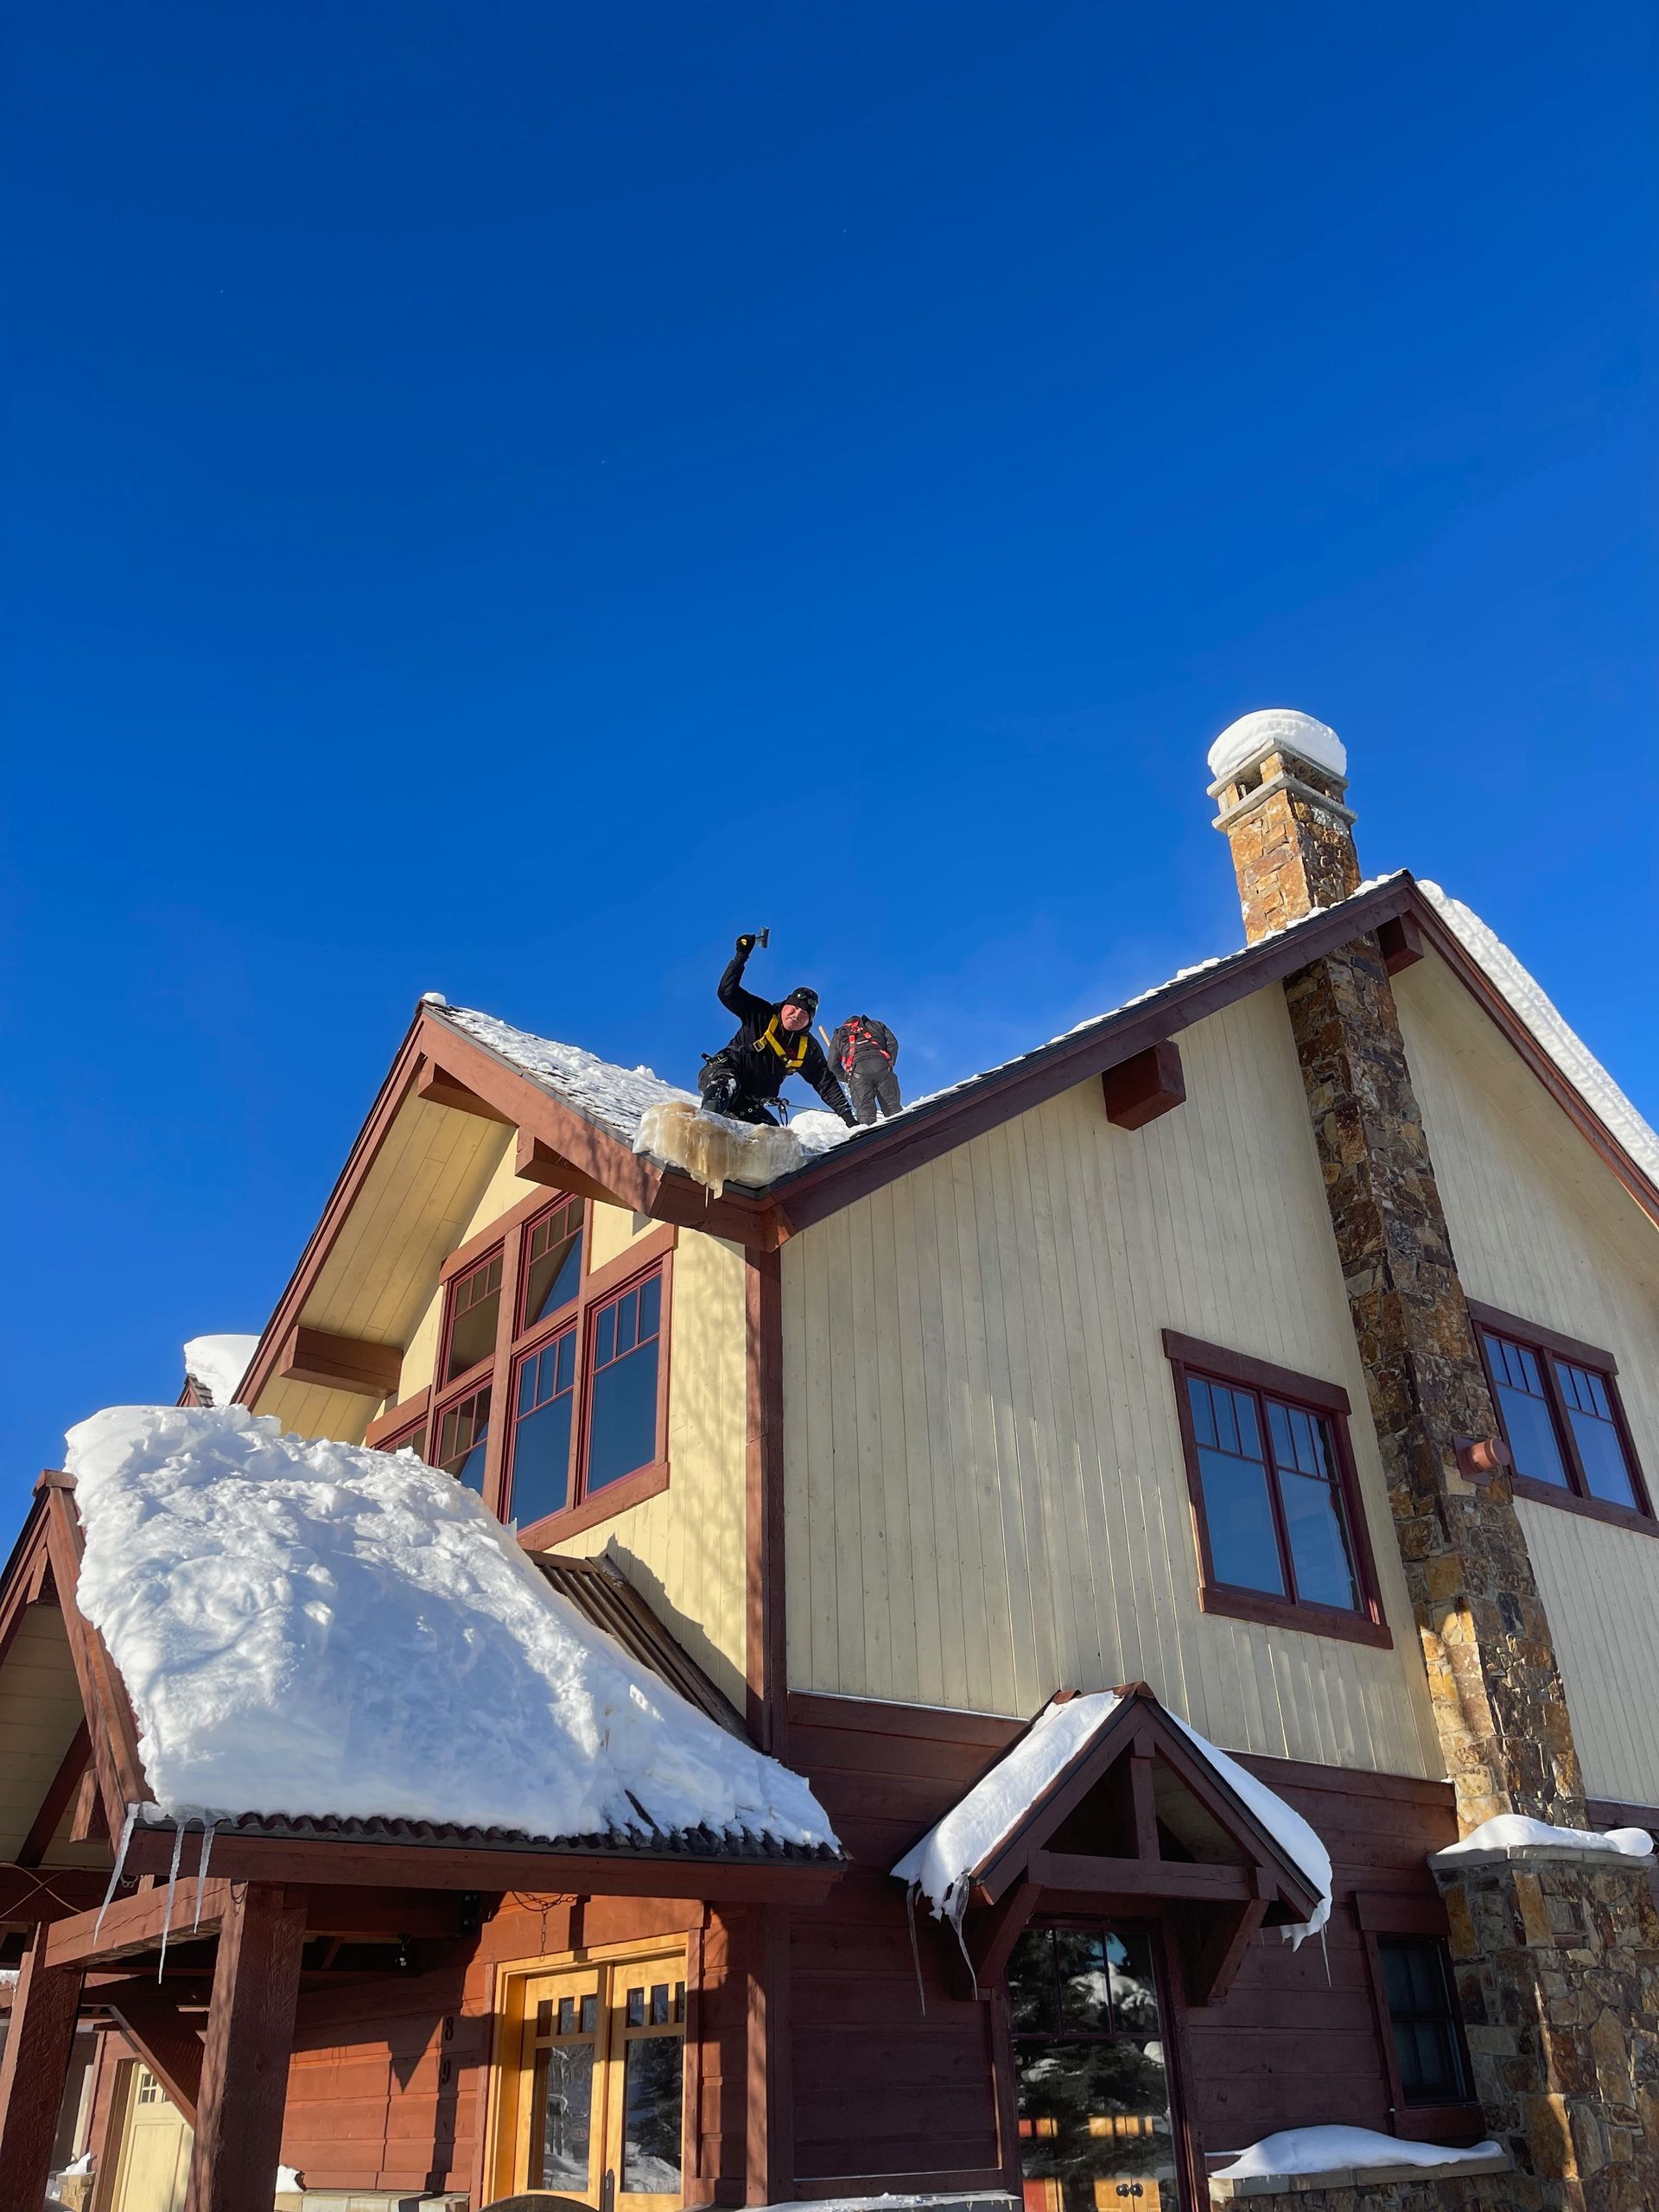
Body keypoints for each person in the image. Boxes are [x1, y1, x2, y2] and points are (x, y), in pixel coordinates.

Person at [699, 934, 855, 1128]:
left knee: (773, 1136)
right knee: (725, 1087)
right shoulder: (761, 1013)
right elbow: (727, 992)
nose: (797, 1014)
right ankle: (702, 1128)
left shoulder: (806, 1048)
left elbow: (825, 1082)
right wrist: (741, 957)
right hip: (723, 1075)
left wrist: (849, 1119)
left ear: (809, 1020)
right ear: (785, 1006)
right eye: (794, 1007)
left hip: (748, 1101)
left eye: (805, 1013)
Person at [829, 1013, 902, 1125]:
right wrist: (889, 1063)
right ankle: (903, 1131)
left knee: (865, 1112)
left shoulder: (839, 1035)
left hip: (858, 1072)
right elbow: (892, 1044)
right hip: (882, 1067)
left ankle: (871, 1139)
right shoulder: (876, 1025)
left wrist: (847, 1078)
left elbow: (833, 1065)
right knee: (893, 1107)